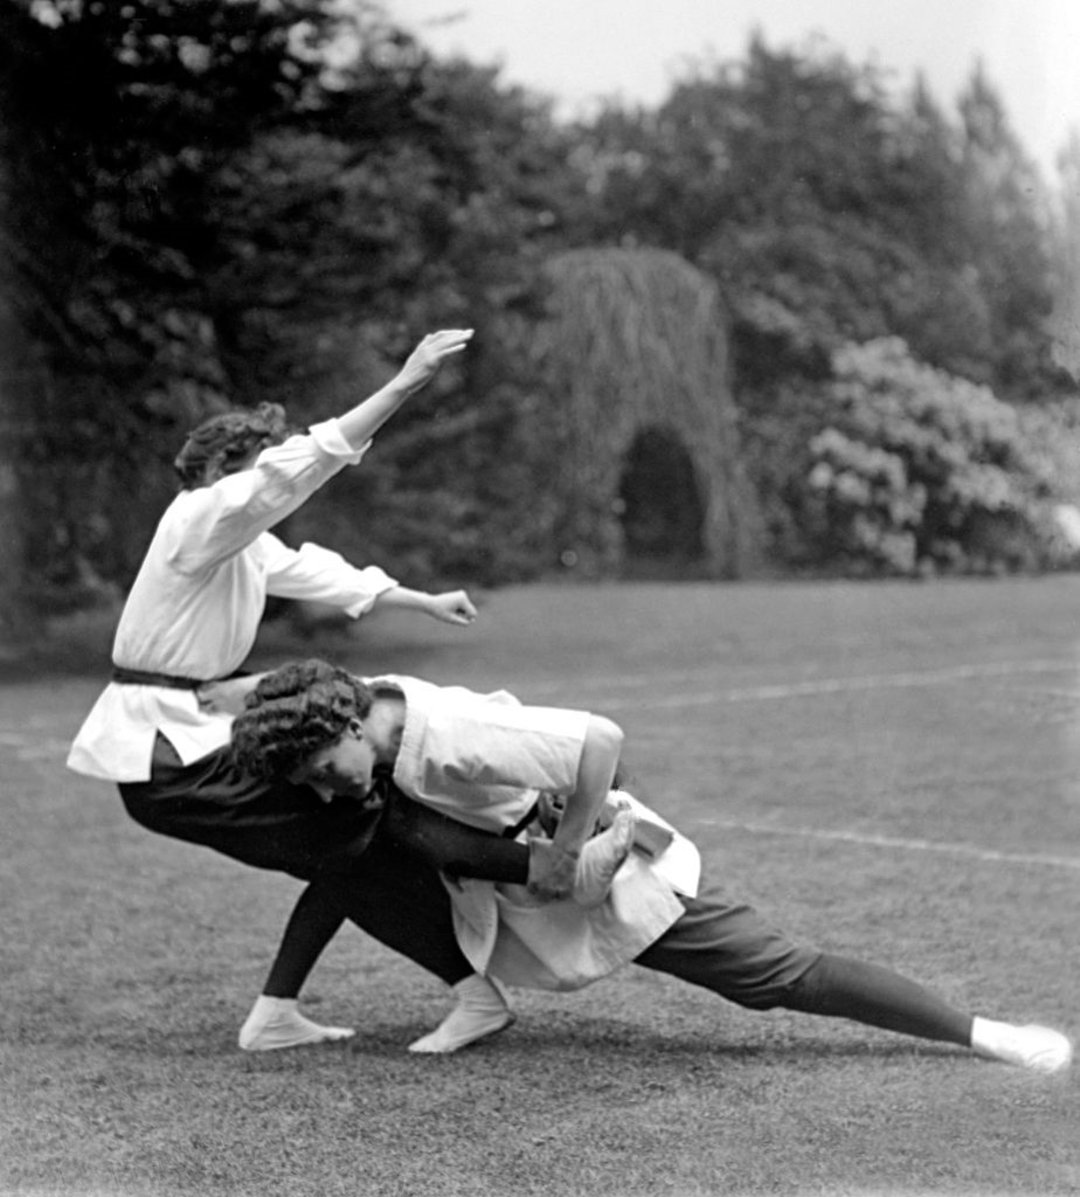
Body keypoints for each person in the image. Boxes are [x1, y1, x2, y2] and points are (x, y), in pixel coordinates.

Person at [67, 329, 632, 1056]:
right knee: (369, 820)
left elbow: (312, 570)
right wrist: (401, 386)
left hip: (185, 739)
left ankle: (285, 1011)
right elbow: (289, 476)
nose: (267, 480)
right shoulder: (195, 520)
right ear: (215, 470)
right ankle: (544, 884)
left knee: (344, 839)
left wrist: (418, 600)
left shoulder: (236, 544)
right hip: (168, 754)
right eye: (255, 467)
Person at [230, 659, 1074, 1075]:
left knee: (774, 974)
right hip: (512, 874)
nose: (321, 788)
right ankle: (463, 1000)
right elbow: (290, 696)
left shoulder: (442, 735)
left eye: (314, 769)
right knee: (347, 855)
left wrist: (571, 849)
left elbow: (599, 739)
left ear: (341, 727)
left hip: (592, 866)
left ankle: (981, 1032)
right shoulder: (357, 710)